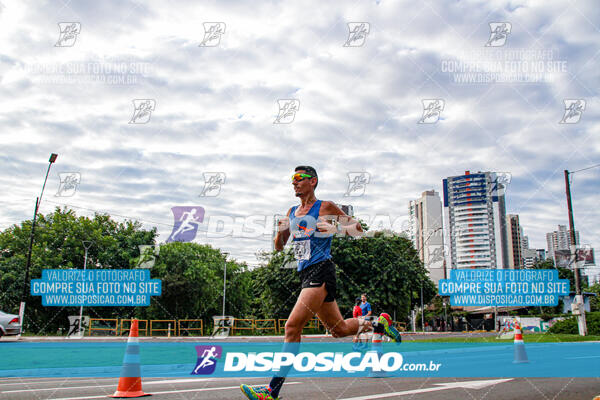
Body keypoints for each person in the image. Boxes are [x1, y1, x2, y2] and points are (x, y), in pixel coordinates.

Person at [240, 166, 401, 400]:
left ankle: (271, 391)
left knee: (292, 327)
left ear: (312, 181)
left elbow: (357, 230)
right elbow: (278, 246)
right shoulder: (292, 211)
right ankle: (377, 323)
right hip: (305, 273)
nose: (293, 183)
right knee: (339, 330)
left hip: (321, 270)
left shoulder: (325, 207)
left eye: (298, 178)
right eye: (292, 179)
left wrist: (336, 228)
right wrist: (281, 231)